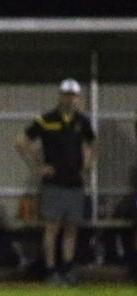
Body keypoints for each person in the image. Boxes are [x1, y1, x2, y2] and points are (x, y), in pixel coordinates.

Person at [14, 78, 97, 285]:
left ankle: (67, 269)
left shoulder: (82, 121)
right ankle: (51, 271)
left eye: (73, 95)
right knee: (52, 228)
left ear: (78, 97)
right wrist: (38, 166)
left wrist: (86, 167)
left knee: (71, 229)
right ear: (60, 96)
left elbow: (93, 145)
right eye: (66, 94)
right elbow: (20, 141)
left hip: (74, 184)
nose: (69, 99)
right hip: (54, 183)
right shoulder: (47, 120)